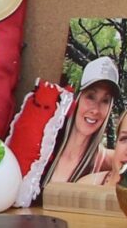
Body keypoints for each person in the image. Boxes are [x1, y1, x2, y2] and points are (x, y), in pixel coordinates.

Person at [43, 56, 120, 186]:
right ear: (77, 98)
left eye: (105, 101)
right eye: (90, 97)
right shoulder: (47, 144)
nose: (95, 110)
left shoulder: (104, 160)